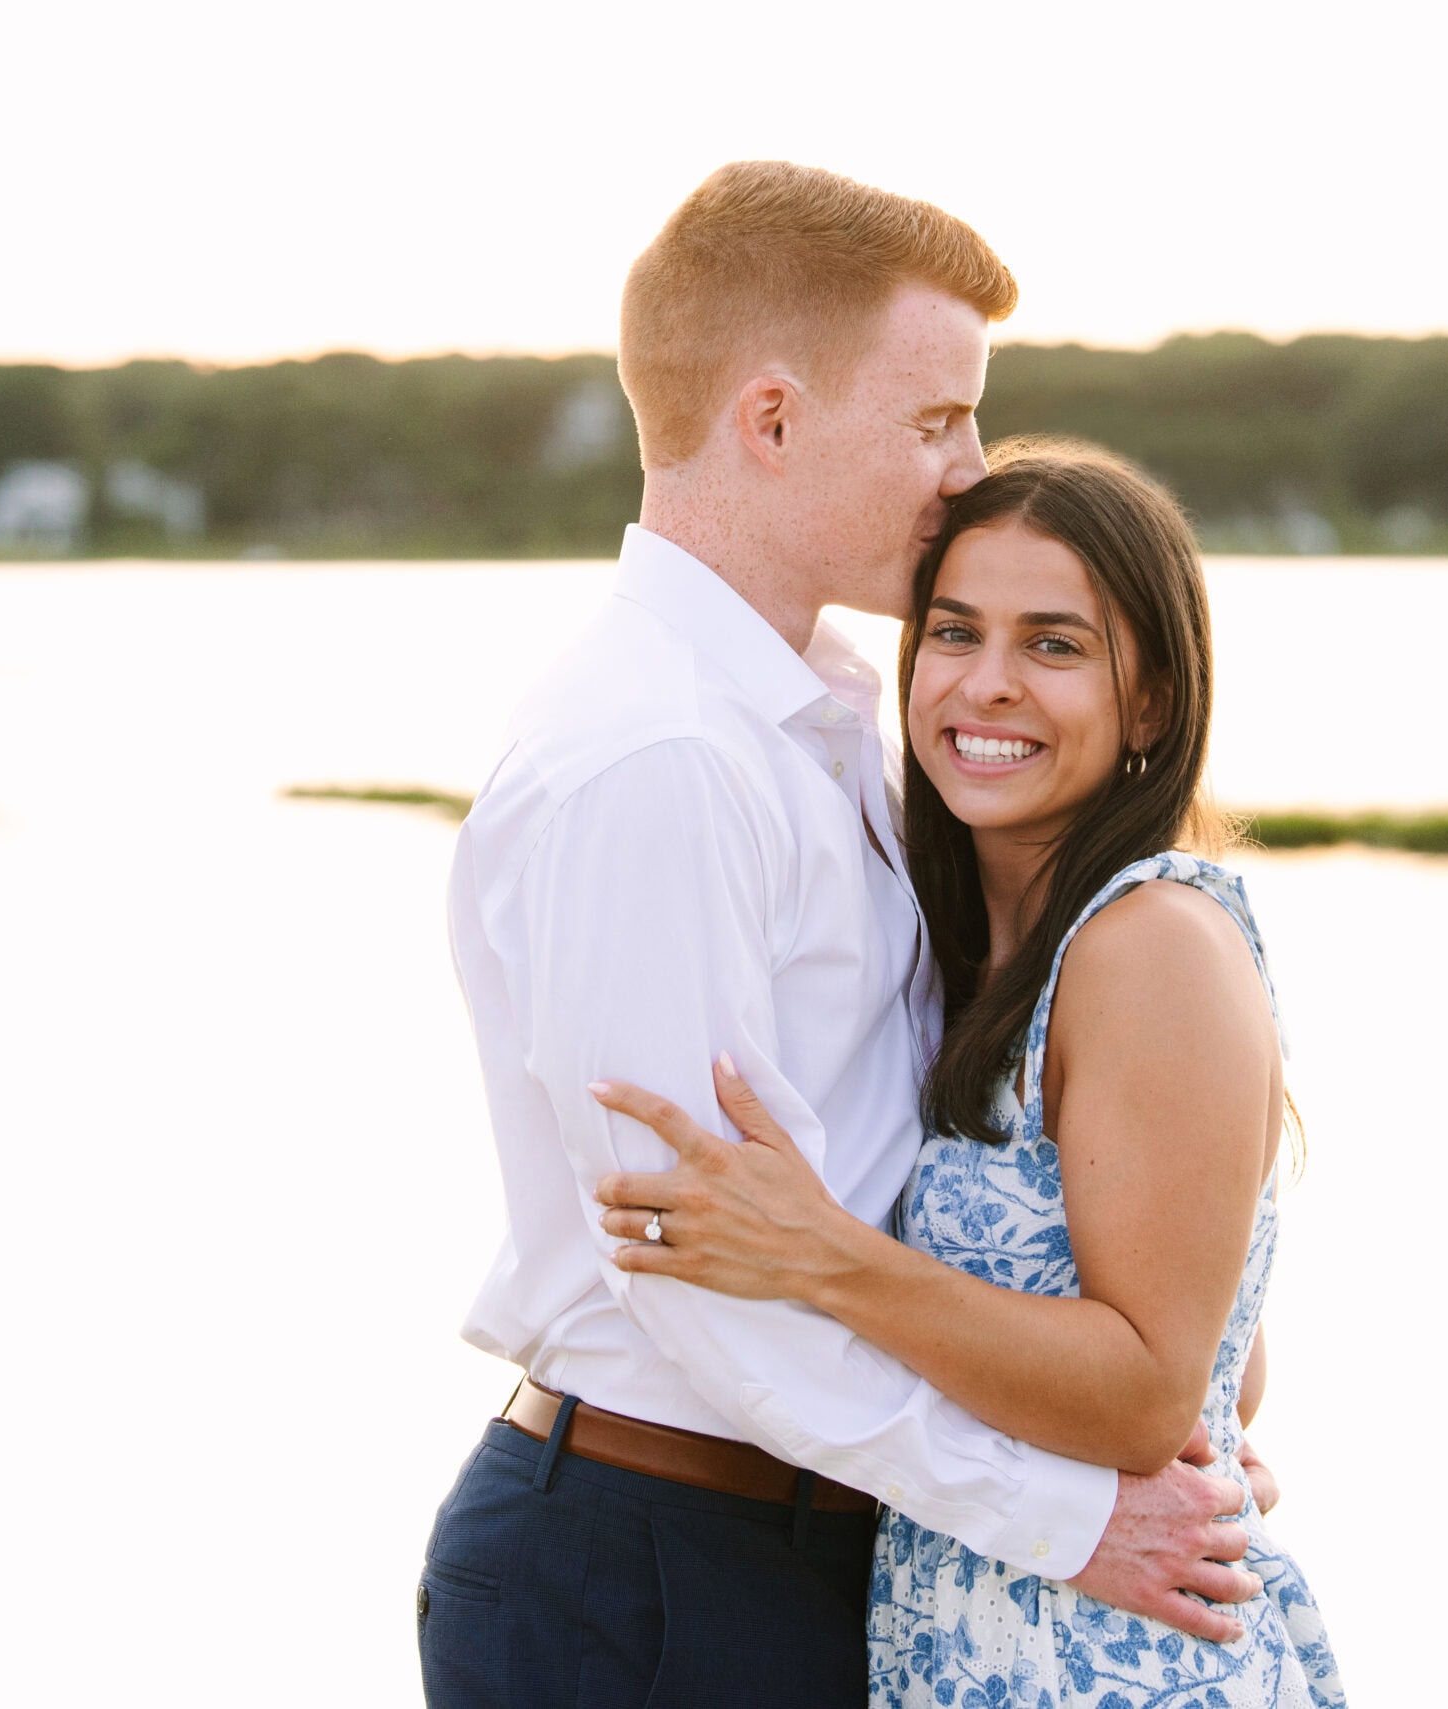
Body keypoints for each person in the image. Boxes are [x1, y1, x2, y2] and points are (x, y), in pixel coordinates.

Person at [424, 163, 1262, 1708]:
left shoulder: (815, 724)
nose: (969, 468)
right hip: (658, 1555)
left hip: (823, 1540)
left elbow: (894, 1187)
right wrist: (1068, 1518)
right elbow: (700, 1277)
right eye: (936, 419)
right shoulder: (661, 759)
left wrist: (1180, 1376)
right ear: (771, 419)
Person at [591, 441, 1344, 1706]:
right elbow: (1229, 1367)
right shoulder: (984, 958)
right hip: (980, 1639)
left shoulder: (1147, 941)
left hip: (1117, 1668)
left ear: (1150, 701)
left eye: (1053, 645)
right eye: (953, 633)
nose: (985, 686)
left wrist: (821, 1252)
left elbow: (1152, 1396)